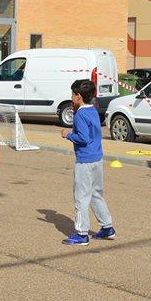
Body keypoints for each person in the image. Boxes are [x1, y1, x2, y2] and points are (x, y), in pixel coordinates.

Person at [60, 79, 115, 245]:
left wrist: (68, 134)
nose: (71, 97)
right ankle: (107, 227)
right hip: (97, 158)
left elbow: (83, 138)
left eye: (72, 94)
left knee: (81, 197)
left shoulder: (80, 114)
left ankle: (81, 233)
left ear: (78, 96)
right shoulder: (93, 110)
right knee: (96, 193)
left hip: (85, 160)